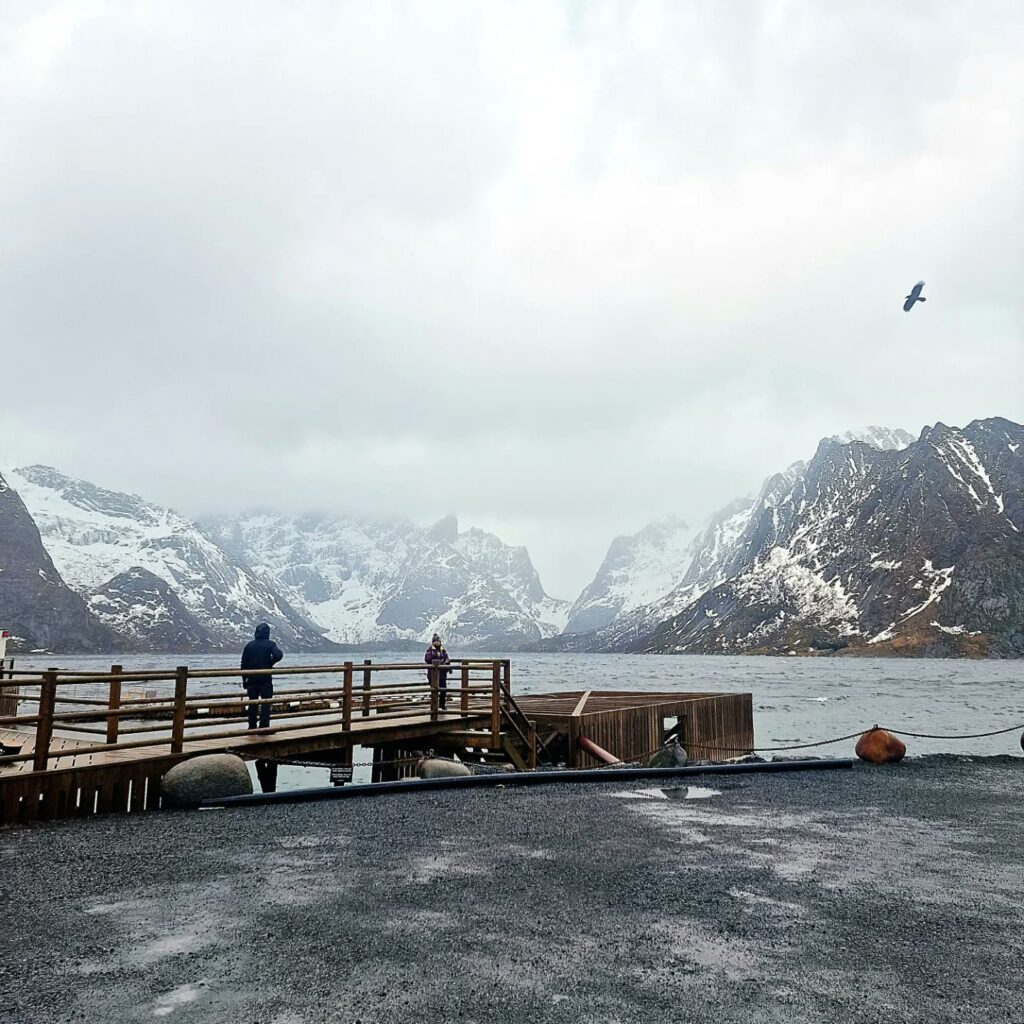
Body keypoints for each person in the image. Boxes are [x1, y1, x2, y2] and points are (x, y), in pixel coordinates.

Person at [241, 623, 283, 730]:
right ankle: (264, 727)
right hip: (265, 679)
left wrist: (244, 680)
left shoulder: (249, 646)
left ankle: (252, 726)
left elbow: (243, 664)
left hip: (251, 679)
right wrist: (270, 663)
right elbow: (279, 655)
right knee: (266, 703)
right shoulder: (270, 644)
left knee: (252, 703)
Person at [424, 633, 451, 710]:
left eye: (438, 641)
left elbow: (447, 659)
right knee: (434, 691)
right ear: (433, 642)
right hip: (432, 674)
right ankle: (434, 707)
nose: (437, 642)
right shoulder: (430, 650)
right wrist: (439, 660)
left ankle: (442, 705)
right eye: (435, 641)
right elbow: (427, 659)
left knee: (443, 690)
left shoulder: (443, 650)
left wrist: (448, 666)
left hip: (442, 673)